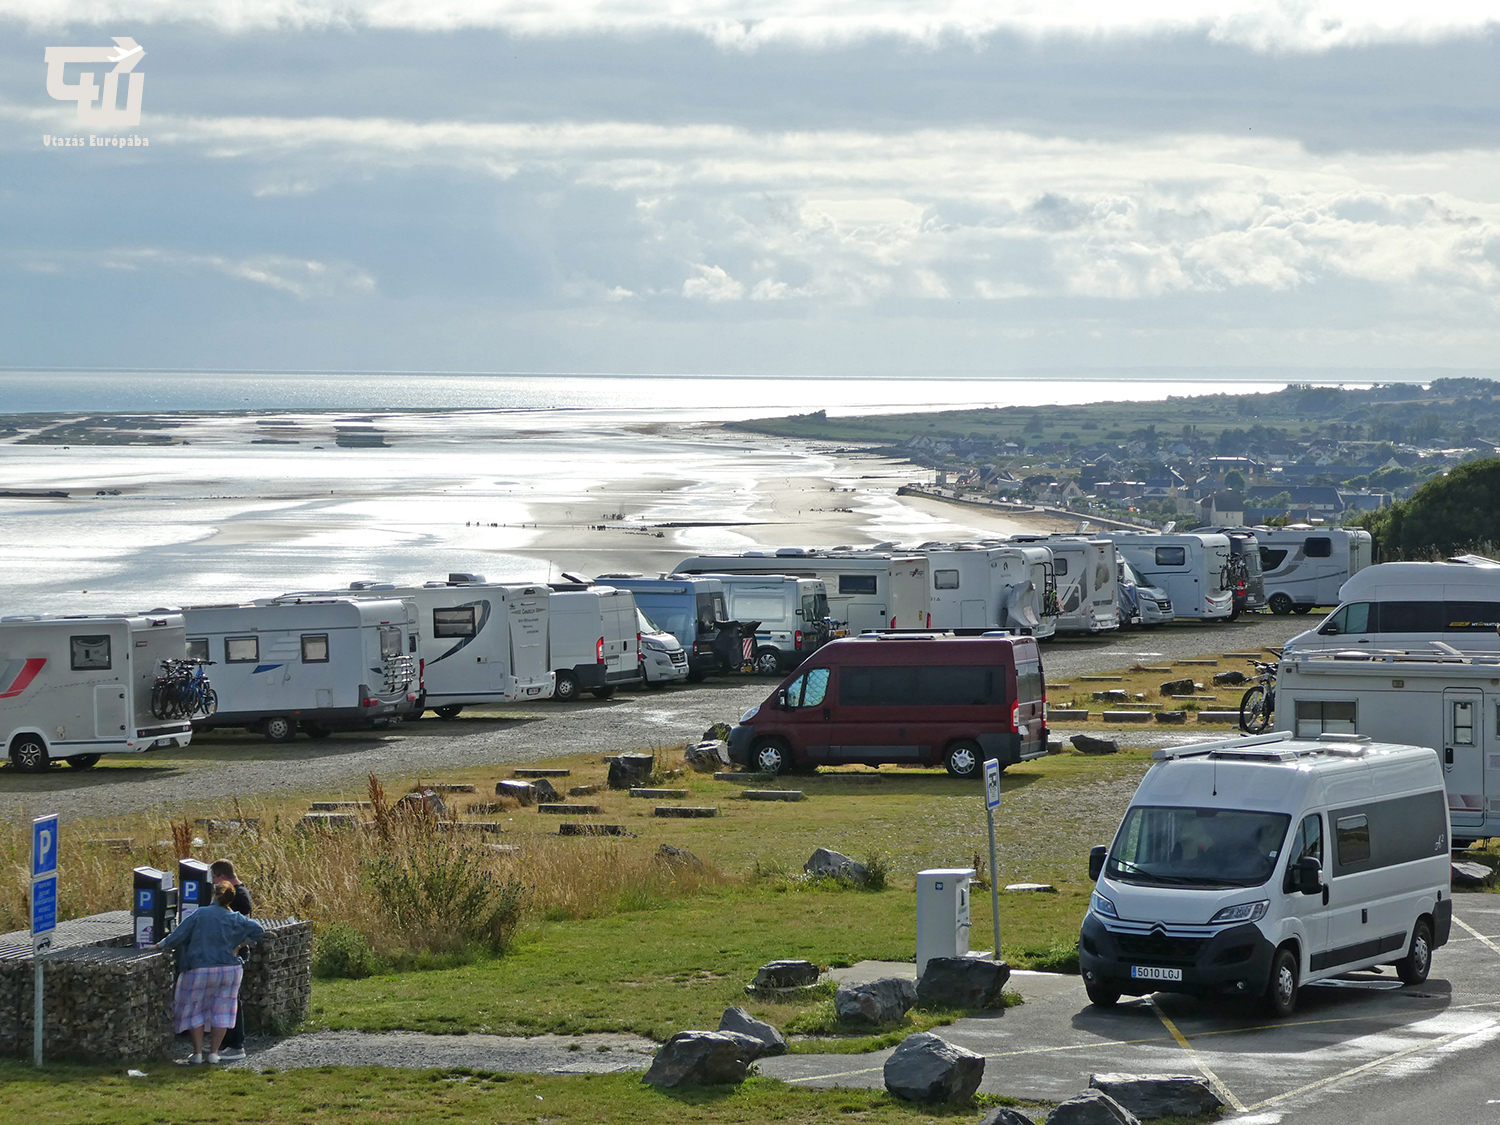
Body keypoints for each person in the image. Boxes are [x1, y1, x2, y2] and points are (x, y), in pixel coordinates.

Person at [154, 881, 265, 1065]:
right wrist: (241, 944)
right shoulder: (236, 917)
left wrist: (159, 945)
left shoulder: (200, 914)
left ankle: (197, 1053)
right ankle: (214, 1053)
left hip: (200, 967)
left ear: (214, 894)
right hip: (230, 969)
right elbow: (259, 930)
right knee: (222, 1010)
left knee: (194, 1009)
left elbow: (178, 935)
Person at [209, 860, 253, 1061]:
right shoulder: (239, 893)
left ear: (222, 877)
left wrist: (236, 947)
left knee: (232, 999)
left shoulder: (240, 897)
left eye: (214, 879)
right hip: (229, 954)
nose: (213, 884)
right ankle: (226, 1043)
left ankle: (236, 1044)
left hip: (234, 955)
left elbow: (245, 927)